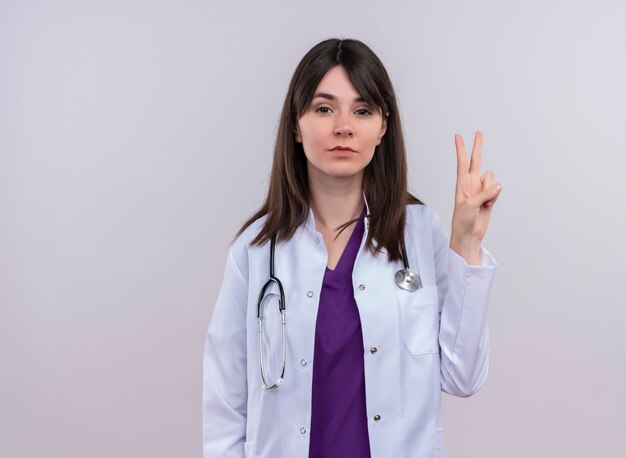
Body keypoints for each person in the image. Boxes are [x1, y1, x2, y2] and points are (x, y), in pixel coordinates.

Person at [202, 38, 502, 458]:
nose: (343, 126)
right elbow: (224, 405)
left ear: (382, 126)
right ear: (295, 124)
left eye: (362, 110)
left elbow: (463, 377)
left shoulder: (420, 234)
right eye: (324, 109)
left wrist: (467, 244)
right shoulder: (256, 252)